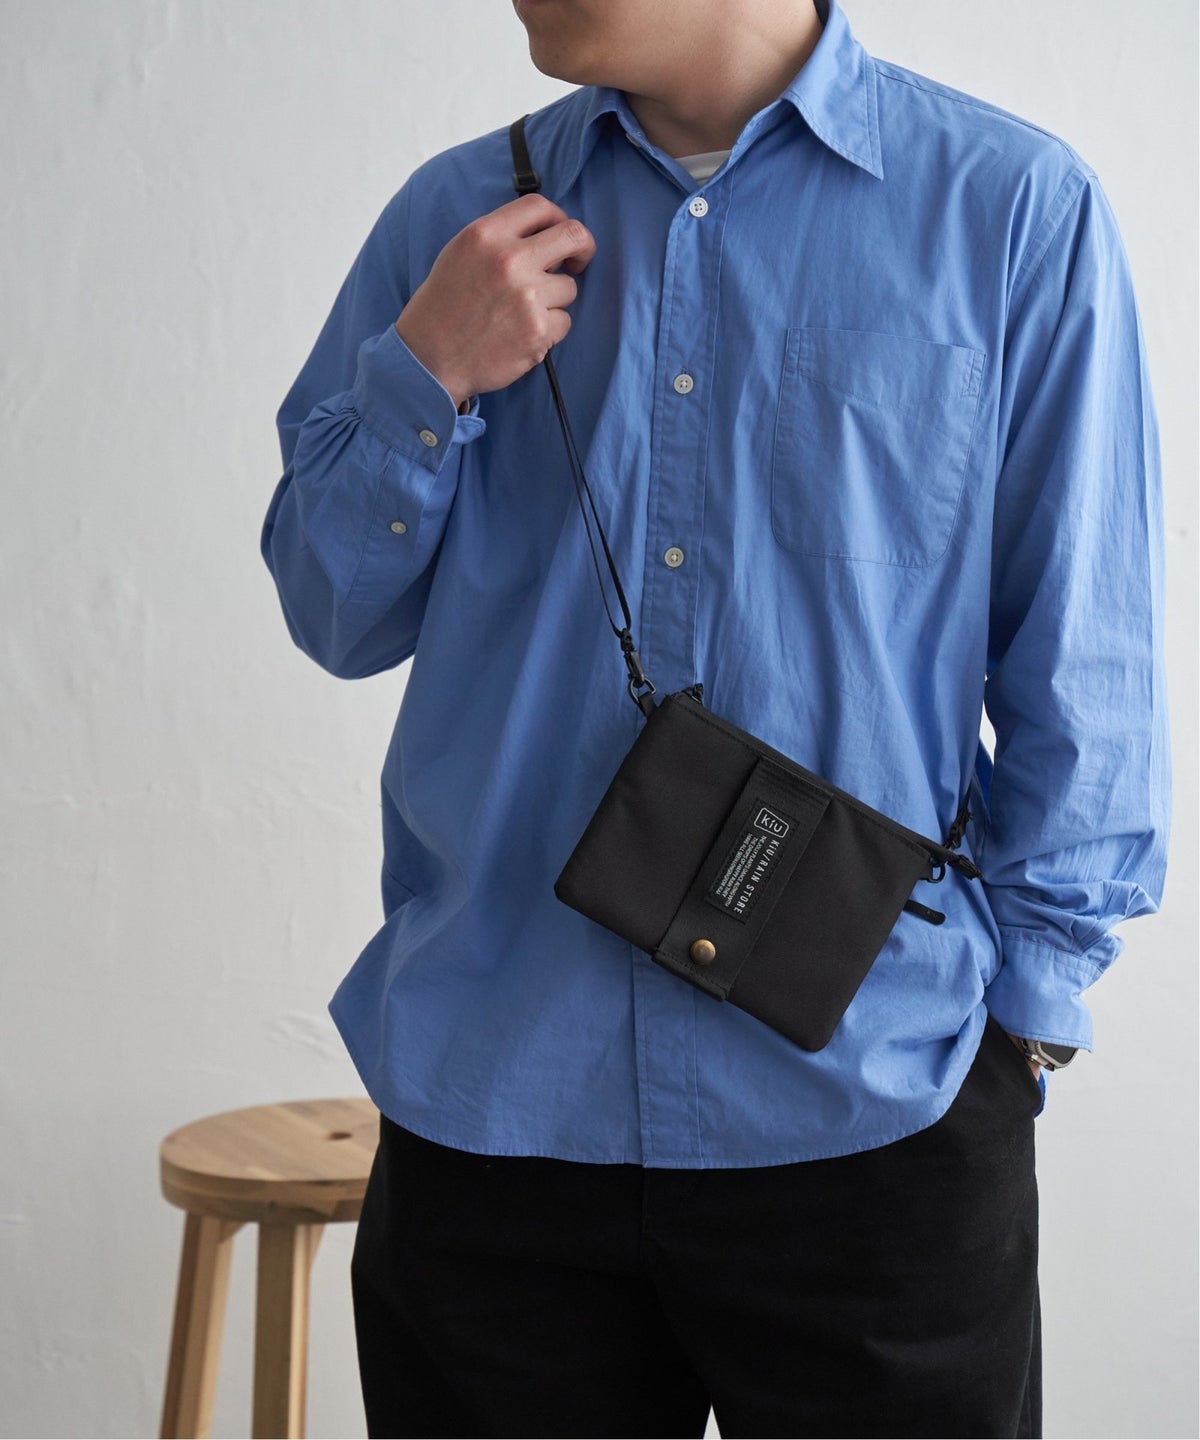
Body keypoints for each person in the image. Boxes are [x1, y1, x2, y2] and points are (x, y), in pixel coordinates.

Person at [259, 0, 1171, 1434]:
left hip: (874, 1113)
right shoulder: (456, 221)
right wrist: (425, 375)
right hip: (497, 1123)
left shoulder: (1009, 209)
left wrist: (1024, 1035)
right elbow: (333, 611)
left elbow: (1086, 652)